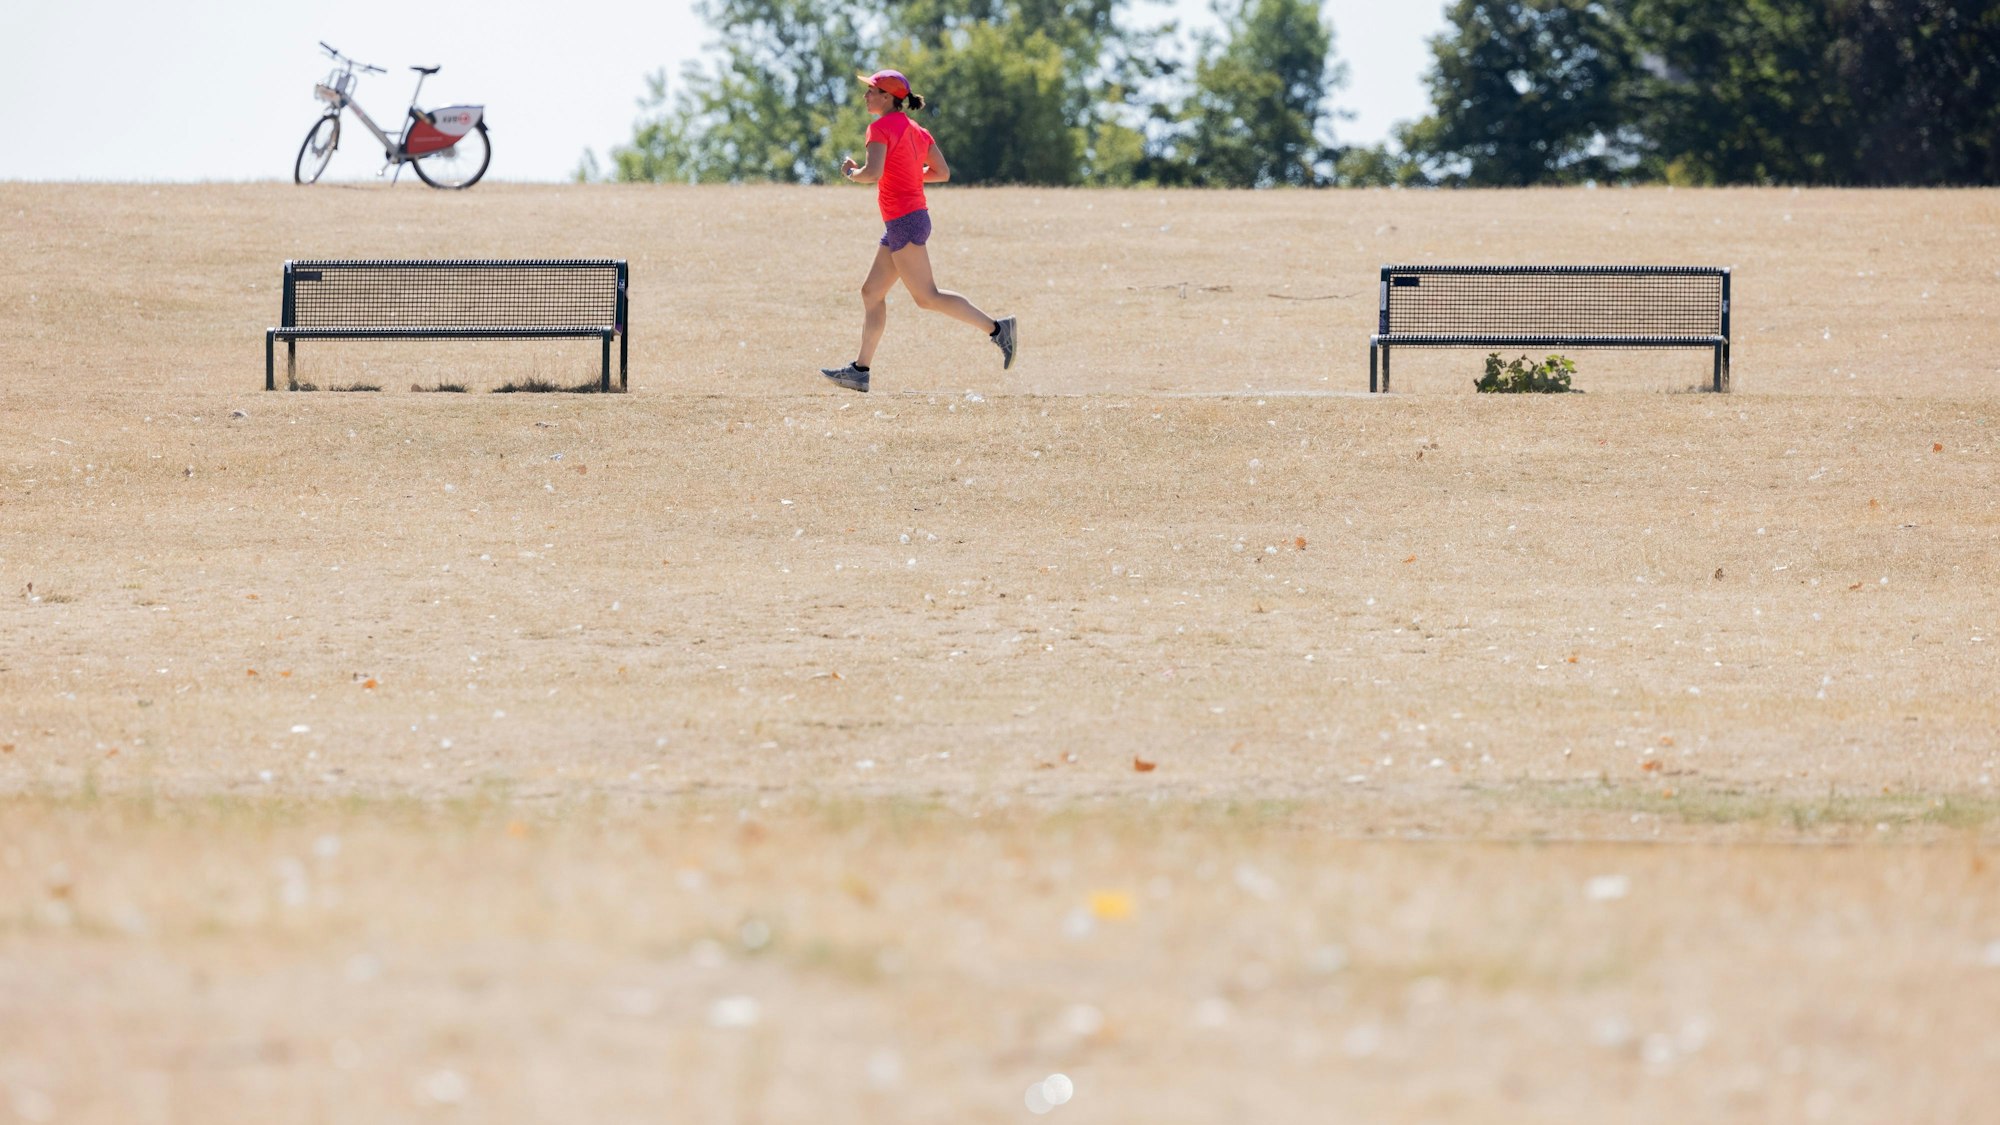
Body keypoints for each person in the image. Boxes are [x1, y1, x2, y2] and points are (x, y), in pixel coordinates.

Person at [821, 69, 1016, 393]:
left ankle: (998, 329)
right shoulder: (917, 130)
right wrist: (908, 172)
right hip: (908, 220)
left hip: (905, 221)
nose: (866, 96)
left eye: (871, 90)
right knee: (871, 293)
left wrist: (851, 172)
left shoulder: (879, 128)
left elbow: (872, 173)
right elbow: (941, 172)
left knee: (927, 298)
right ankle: (860, 371)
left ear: (887, 97)